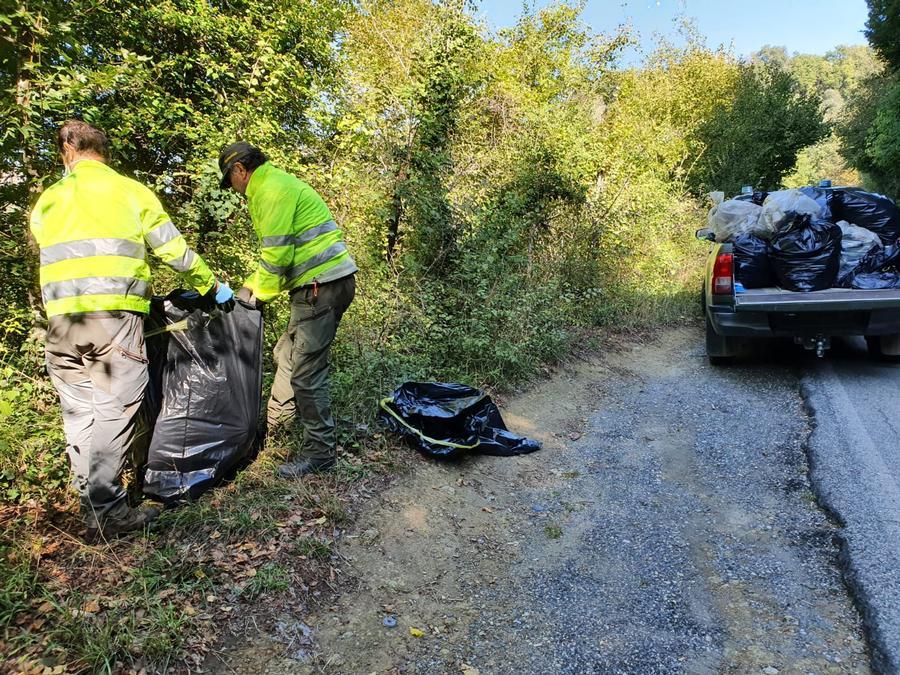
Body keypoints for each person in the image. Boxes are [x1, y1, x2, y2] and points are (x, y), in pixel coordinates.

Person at [30, 120, 235, 541]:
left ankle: (91, 503)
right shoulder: (129, 192)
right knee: (114, 408)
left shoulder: (48, 200)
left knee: (79, 413)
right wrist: (210, 285)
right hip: (113, 320)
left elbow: (43, 246)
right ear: (103, 153)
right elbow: (173, 249)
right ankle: (108, 510)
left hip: (61, 323)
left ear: (68, 152)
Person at [218, 142, 356, 478]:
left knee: (306, 373)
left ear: (240, 170)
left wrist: (257, 296)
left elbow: (277, 256)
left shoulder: (271, 190)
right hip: (321, 285)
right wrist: (250, 286)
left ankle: (320, 454)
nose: (232, 188)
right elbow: (275, 255)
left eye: (229, 179)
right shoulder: (273, 184)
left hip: (319, 287)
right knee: (287, 355)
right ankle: (276, 431)